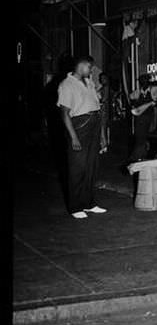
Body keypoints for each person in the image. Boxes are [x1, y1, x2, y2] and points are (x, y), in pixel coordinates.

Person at [57, 55, 107, 219]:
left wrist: (102, 135)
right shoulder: (67, 85)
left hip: (94, 124)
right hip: (79, 126)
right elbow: (64, 114)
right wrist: (74, 138)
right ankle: (75, 207)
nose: (91, 70)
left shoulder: (90, 82)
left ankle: (89, 203)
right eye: (90, 67)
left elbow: (96, 107)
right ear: (82, 65)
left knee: (91, 167)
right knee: (77, 168)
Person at [128, 74, 157, 162]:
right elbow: (131, 98)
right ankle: (139, 156)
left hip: (149, 117)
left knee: (143, 137)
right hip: (139, 117)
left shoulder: (153, 90)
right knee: (139, 137)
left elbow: (156, 99)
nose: (143, 82)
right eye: (142, 81)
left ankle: (137, 157)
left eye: (145, 80)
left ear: (149, 81)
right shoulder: (138, 91)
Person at [97, 73, 112, 154]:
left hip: (103, 111)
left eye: (103, 78)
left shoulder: (106, 88)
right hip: (104, 111)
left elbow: (104, 99)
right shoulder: (104, 87)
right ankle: (104, 145)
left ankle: (104, 146)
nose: (101, 80)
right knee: (103, 128)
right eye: (101, 78)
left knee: (102, 129)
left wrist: (97, 102)